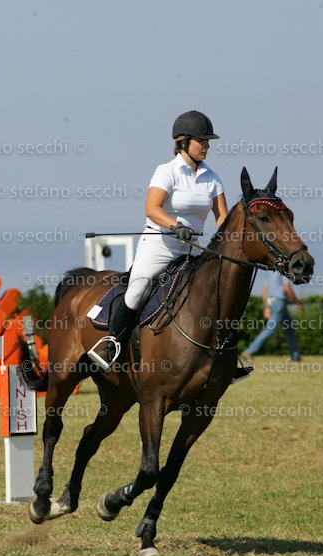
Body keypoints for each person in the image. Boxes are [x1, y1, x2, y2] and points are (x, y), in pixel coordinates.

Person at [88, 110, 251, 383]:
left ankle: (225, 359)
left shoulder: (212, 178)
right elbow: (152, 208)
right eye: (202, 141)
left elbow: (222, 217)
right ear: (183, 141)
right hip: (159, 245)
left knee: (217, 293)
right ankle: (112, 344)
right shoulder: (167, 172)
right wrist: (175, 225)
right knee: (138, 287)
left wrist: (234, 240)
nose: (207, 146)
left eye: (208, 142)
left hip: (192, 249)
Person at [242, 271, 304, 362]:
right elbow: (287, 287)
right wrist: (298, 303)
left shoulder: (270, 271)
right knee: (270, 328)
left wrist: (266, 307)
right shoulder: (284, 271)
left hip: (272, 301)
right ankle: (249, 351)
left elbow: (264, 289)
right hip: (279, 302)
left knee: (290, 327)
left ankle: (295, 356)